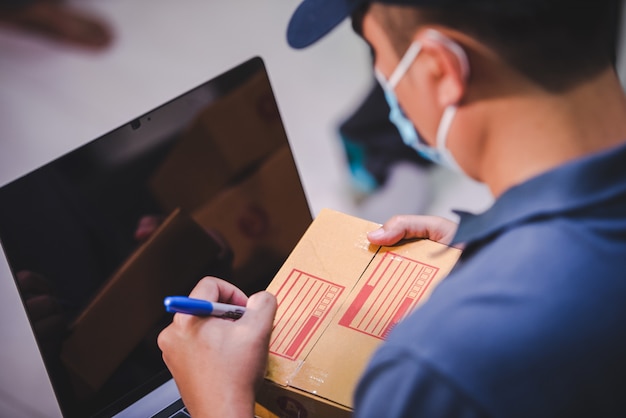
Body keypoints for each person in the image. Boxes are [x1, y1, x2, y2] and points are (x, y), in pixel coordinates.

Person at [157, 0, 626, 416]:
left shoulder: (434, 372)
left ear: (439, 69)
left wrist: (219, 402)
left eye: (374, 50)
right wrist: (503, 252)